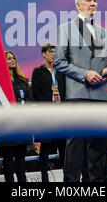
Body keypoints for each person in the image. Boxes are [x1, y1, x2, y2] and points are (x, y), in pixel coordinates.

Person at [54, 0, 107, 182]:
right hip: (78, 93)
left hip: (100, 94)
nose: (93, 4)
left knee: (98, 144)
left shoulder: (104, 32)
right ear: (78, 5)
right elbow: (59, 62)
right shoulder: (64, 29)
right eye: (89, 0)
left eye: (95, 0)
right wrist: (85, 74)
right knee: (75, 144)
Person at [31, 43, 66, 182]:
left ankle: (66, 177)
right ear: (44, 53)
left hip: (62, 114)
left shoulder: (61, 70)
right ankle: (44, 177)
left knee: (63, 147)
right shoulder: (37, 71)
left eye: (55, 52)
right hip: (46, 114)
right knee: (45, 147)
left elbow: (66, 90)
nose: (53, 54)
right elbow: (35, 92)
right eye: (50, 51)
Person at [0, 51, 34, 182]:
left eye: (13, 58)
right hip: (6, 127)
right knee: (8, 161)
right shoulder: (0, 82)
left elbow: (29, 101)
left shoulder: (22, 81)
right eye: (8, 59)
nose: (12, 60)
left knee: (21, 160)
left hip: (22, 126)